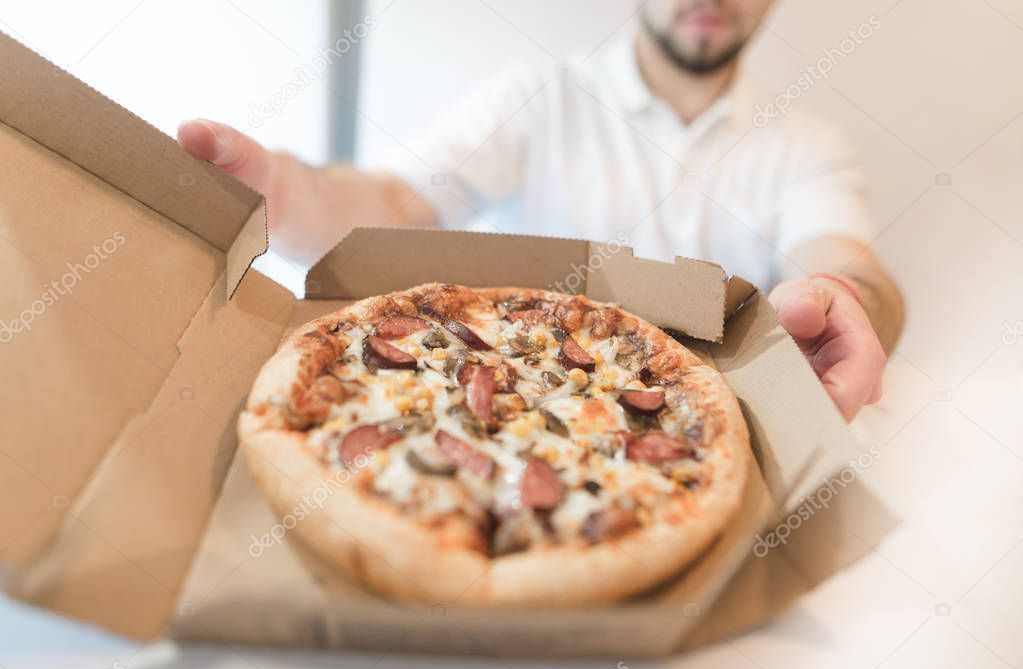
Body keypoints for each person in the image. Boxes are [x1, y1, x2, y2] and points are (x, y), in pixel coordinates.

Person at [177, 0, 903, 421]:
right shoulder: (538, 95)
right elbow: (392, 207)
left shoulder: (806, 143)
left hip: (708, 430)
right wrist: (285, 191)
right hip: (519, 412)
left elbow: (842, 260)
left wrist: (842, 301)